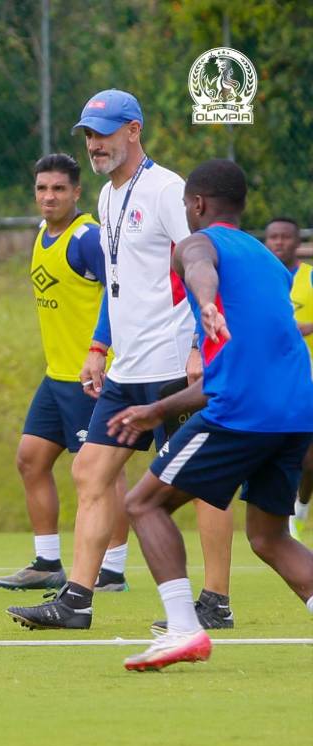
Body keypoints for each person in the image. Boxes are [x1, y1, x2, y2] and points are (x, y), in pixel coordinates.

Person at [8, 89, 234, 630]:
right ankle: (77, 600)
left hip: (173, 370)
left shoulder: (166, 190)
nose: (95, 144)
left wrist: (202, 350)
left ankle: (216, 600)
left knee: (199, 482)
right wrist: (98, 347)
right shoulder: (108, 198)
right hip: (126, 369)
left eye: (105, 132)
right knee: (90, 470)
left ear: (134, 130)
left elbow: (202, 262)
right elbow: (116, 284)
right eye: (88, 134)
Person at [107, 159, 313, 671]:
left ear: (196, 205)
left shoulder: (198, 244)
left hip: (243, 415)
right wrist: (158, 408)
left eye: (185, 206)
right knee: (268, 537)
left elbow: (198, 263)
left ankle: (183, 629)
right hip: (294, 413)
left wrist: (203, 300)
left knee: (143, 504)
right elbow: (231, 374)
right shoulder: (267, 261)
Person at [0, 153, 134, 592]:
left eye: (58, 189)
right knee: (30, 459)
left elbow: (119, 292)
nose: (48, 196)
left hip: (90, 377)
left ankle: (111, 568)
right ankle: (47, 561)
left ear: (77, 192)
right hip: (56, 375)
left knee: (103, 473)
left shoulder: (86, 238)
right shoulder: (42, 234)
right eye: (41, 188)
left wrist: (101, 351)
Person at [264, 217, 312, 542]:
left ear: (297, 242)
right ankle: (279, 515)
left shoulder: (310, 277)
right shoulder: (261, 278)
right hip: (272, 380)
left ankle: (301, 509)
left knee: (310, 458)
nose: (278, 242)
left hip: (309, 378)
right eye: (273, 237)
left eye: (285, 237)